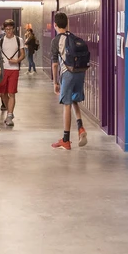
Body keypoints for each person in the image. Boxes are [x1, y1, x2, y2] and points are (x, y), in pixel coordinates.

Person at [50, 12, 87, 150]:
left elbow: (54, 64)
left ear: (55, 25)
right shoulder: (73, 37)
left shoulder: (56, 40)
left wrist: (55, 82)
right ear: (67, 24)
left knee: (66, 104)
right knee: (74, 100)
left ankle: (66, 140)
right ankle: (80, 128)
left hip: (68, 74)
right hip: (80, 72)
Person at [0, 19, 25, 127]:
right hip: (3, 69)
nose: (8, 31)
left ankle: (9, 115)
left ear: (13, 29)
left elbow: (23, 54)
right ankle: (9, 111)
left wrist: (17, 61)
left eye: (10, 29)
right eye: (6, 29)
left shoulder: (19, 40)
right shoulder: (0, 41)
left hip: (14, 70)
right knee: (3, 93)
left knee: (11, 93)